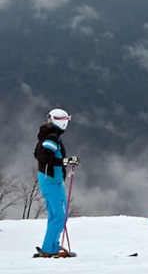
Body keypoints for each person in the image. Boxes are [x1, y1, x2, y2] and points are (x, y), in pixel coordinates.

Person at [33, 108, 79, 258]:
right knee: (60, 215)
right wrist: (66, 161)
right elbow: (44, 157)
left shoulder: (49, 136)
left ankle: (51, 245)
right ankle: (49, 249)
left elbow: (38, 154)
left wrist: (66, 161)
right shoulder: (52, 138)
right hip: (52, 182)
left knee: (55, 214)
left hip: (49, 181)